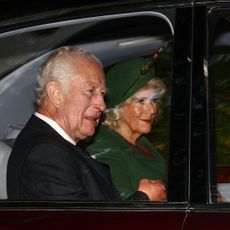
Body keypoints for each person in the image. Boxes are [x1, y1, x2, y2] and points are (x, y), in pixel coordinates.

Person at [7, 47, 164, 201]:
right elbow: (78, 223)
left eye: (102, 94)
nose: (102, 105)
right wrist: (144, 200)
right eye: (90, 91)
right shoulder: (46, 154)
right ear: (56, 94)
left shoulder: (55, 146)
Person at [86, 57, 167, 200]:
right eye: (141, 101)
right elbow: (122, 210)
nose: (152, 110)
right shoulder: (103, 147)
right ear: (118, 107)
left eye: (154, 100)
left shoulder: (140, 141)